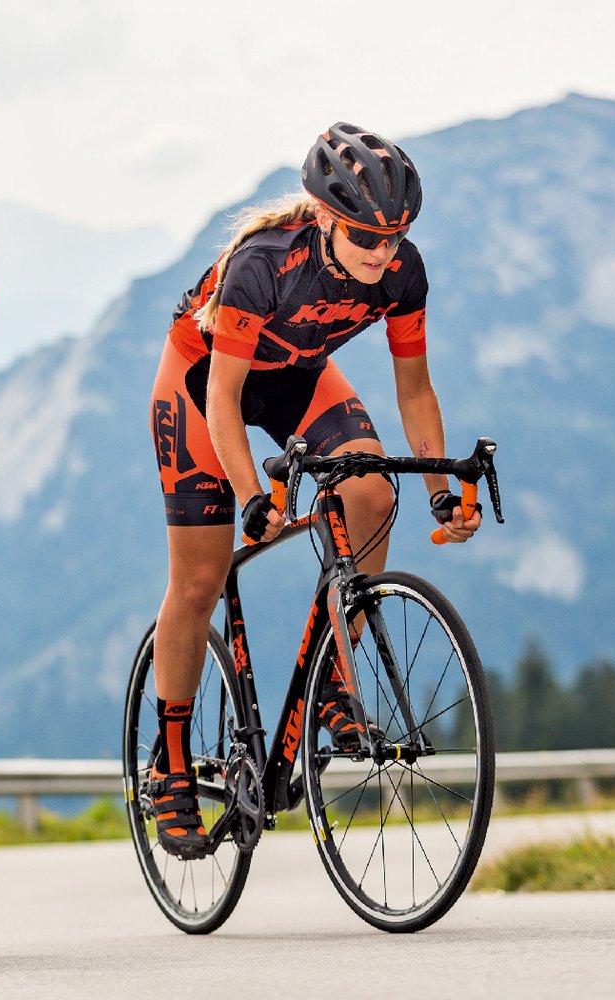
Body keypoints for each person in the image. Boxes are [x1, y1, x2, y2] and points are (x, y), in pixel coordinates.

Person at [145, 123, 481, 858]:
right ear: (324, 216)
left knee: (369, 490)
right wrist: (253, 497)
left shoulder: (403, 274)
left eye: (395, 236)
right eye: (366, 236)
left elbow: (415, 389)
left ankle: (333, 678)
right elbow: (225, 402)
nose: (382, 252)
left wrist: (439, 489)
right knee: (199, 578)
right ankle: (167, 766)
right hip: (203, 389)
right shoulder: (262, 266)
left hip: (297, 379)